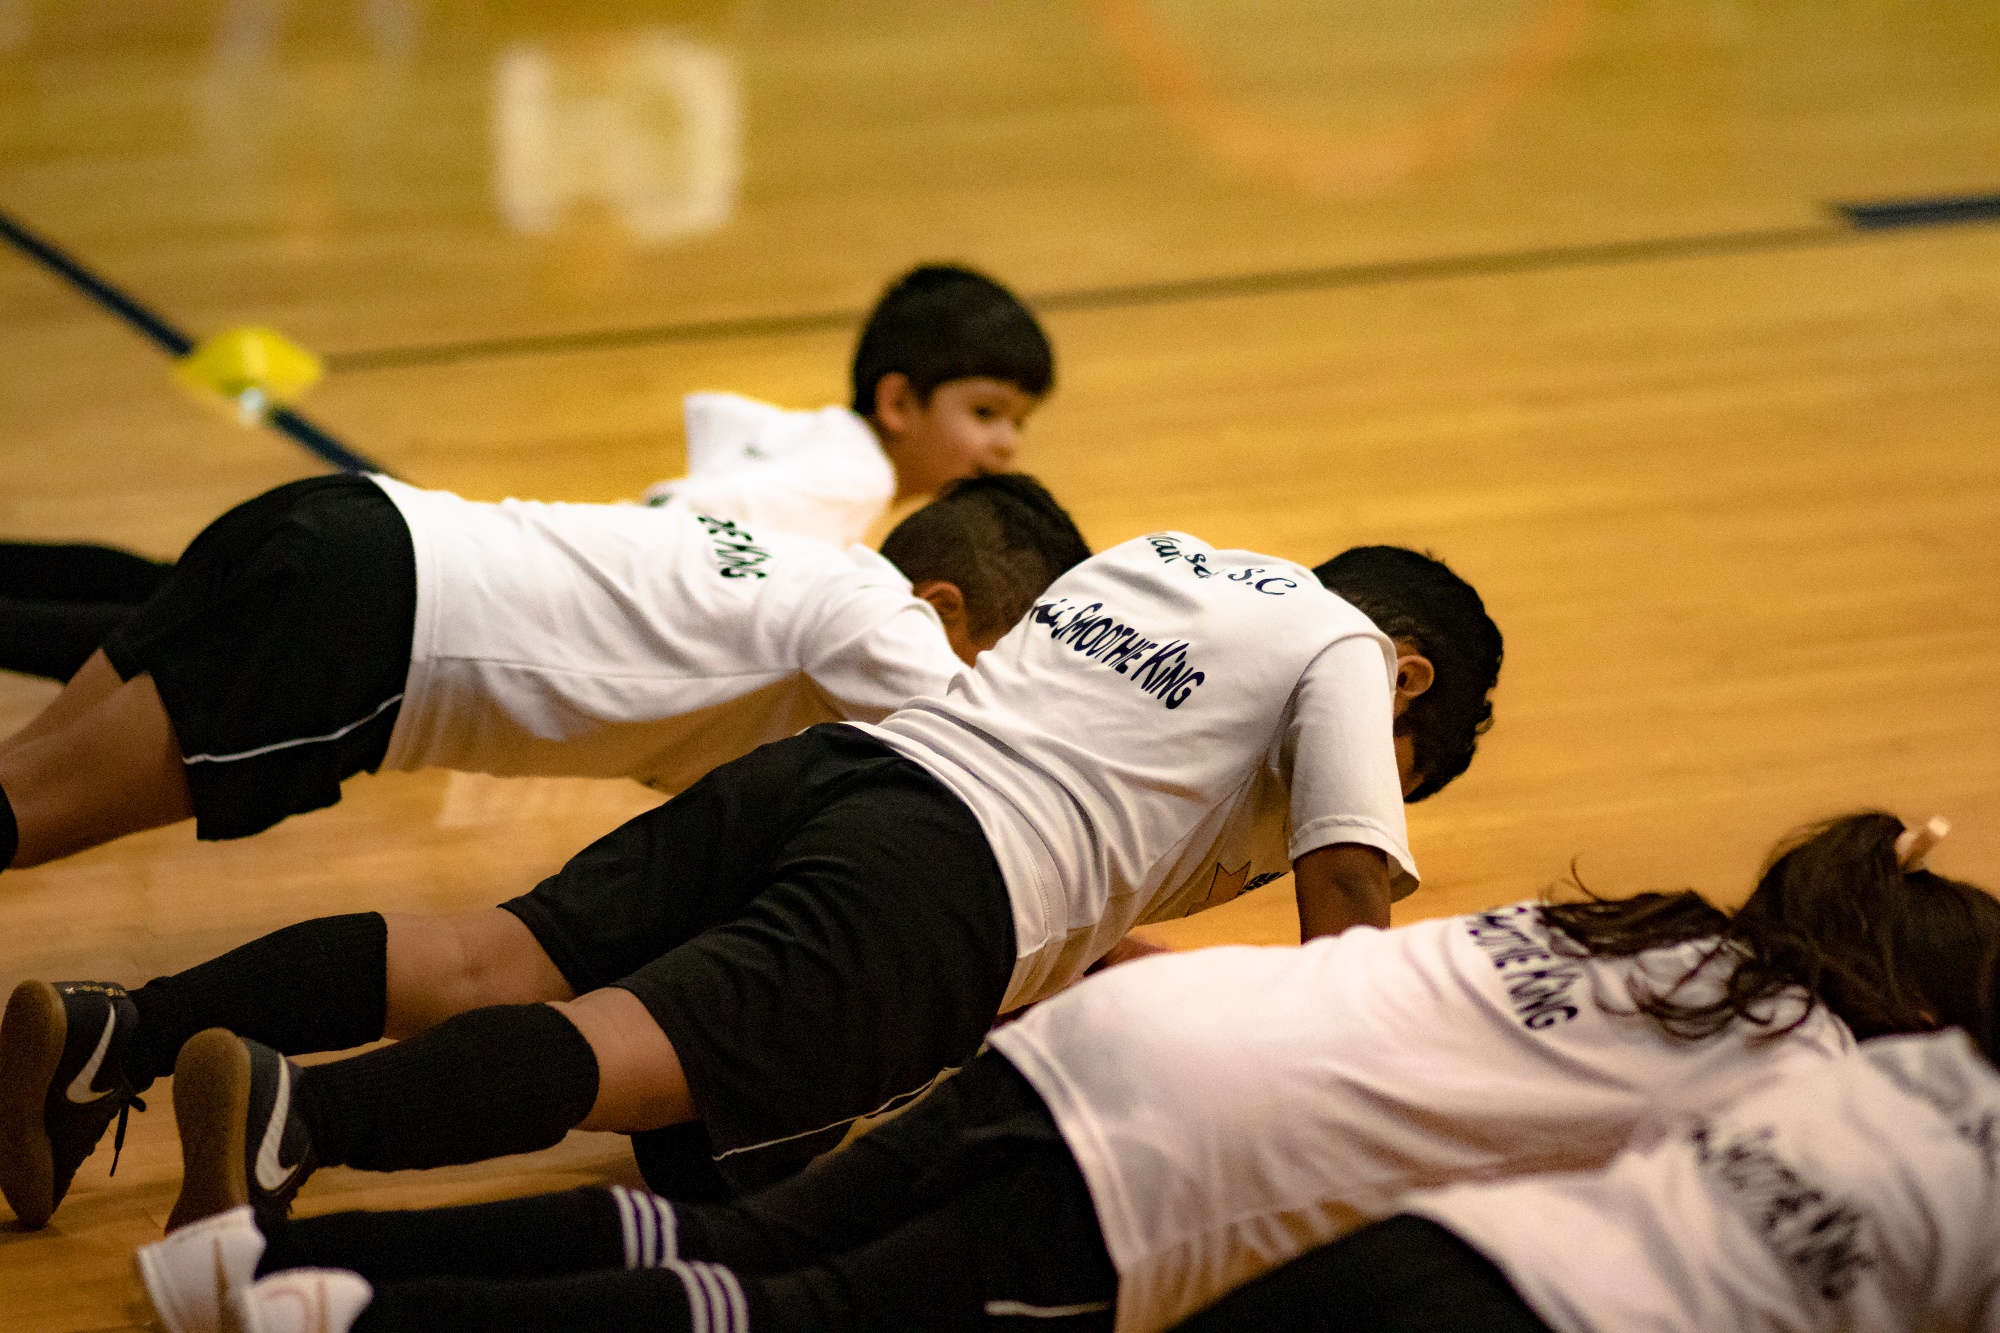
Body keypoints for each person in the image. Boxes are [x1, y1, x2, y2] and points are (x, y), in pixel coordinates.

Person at [0, 535, 1500, 1231]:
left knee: (484, 954)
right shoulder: (1346, 652)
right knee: (614, 1059)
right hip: (933, 895)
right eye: (1402, 764)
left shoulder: (1166, 560)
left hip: (834, 780)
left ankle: (122, 1027)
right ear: (1408, 679)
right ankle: (300, 1121)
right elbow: (1346, 914)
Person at [126, 811, 1999, 1333]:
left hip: (1131, 1036)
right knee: (786, 1310)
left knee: (750, 1237)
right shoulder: (1814, 1067)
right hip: (1172, 1162)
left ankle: (253, 1268)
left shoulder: (1659, 930)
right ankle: (347, 1321)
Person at [0, 262, 1053, 683]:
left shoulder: (825, 444)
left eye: (1015, 422)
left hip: (492, 566)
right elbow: (693, 524)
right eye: (985, 413)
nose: (1005, 445)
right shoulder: (848, 484)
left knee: (186, 593)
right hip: (508, 614)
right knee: (193, 648)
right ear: (899, 401)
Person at [0, 466, 1085, 874]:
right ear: (941, 608)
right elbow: (1003, 781)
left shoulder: (800, 575)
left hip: (344, 521)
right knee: (24, 817)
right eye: (996, 656)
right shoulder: (875, 612)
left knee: (19, 794)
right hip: (371, 626)